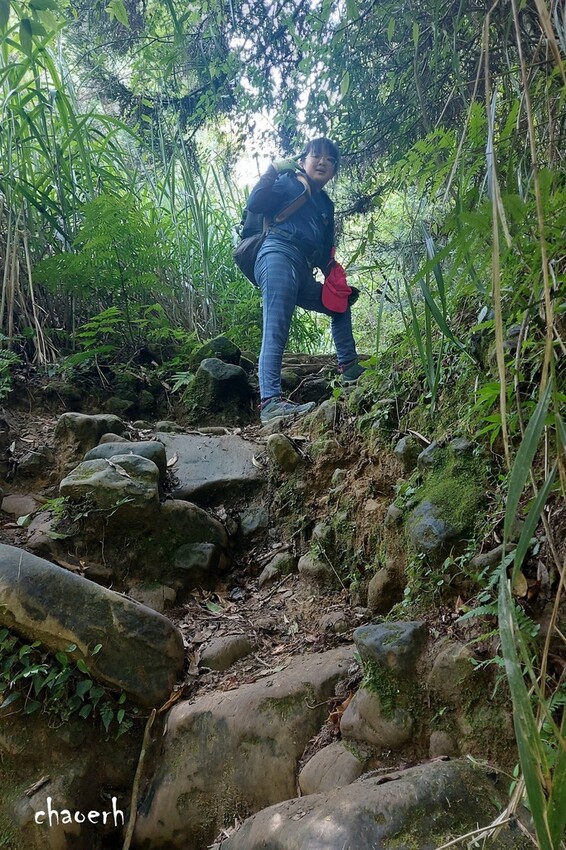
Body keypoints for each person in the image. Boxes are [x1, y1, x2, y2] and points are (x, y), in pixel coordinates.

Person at [246, 137, 364, 424]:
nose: (323, 162)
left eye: (330, 159)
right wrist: (274, 169)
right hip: (277, 253)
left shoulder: (326, 205)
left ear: (334, 171)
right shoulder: (289, 182)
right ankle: (270, 402)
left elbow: (323, 252)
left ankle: (349, 368)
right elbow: (256, 202)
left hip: (302, 267)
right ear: (302, 161)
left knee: (340, 305)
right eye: (316, 156)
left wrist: (336, 281)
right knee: (277, 322)